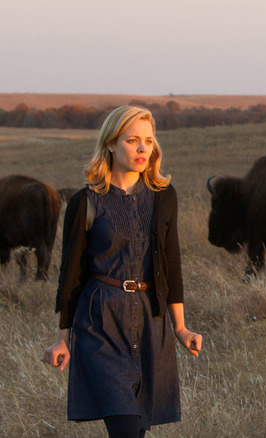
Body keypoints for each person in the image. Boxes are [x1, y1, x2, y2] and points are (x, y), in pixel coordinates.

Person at [41, 106, 203, 438]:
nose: (143, 148)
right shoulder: (85, 202)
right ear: (111, 145)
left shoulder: (164, 197)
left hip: (150, 322)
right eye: (132, 140)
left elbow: (171, 265)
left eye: (148, 140)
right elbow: (71, 273)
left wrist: (181, 328)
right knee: (126, 427)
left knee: (137, 429)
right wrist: (62, 339)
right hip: (100, 321)